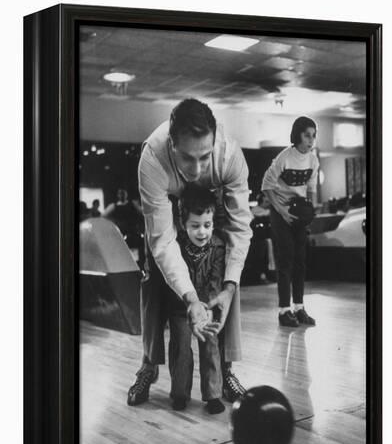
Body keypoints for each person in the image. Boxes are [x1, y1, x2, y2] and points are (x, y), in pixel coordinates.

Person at [127, 98, 252, 406]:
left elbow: (239, 228)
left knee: (227, 278)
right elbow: (163, 242)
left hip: (209, 211)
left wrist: (228, 287)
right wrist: (191, 299)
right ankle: (148, 365)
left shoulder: (231, 156)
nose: (196, 170)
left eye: (204, 157)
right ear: (172, 145)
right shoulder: (152, 159)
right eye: (187, 159)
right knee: (153, 276)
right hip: (171, 217)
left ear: (215, 143)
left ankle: (226, 371)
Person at [166, 185, 226, 414]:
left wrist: (209, 306)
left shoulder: (218, 246)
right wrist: (189, 304)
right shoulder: (176, 246)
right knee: (181, 347)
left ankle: (213, 395)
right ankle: (180, 394)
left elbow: (216, 279)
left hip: (207, 307)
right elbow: (173, 278)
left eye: (207, 225)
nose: (202, 232)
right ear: (183, 225)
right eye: (195, 226)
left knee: (210, 344)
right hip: (181, 307)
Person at [262, 116, 319, 327]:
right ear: (297, 136)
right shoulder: (284, 158)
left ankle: (299, 308)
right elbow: (266, 186)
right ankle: (284, 311)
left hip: (298, 211)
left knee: (300, 261)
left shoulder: (313, 160)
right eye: (307, 135)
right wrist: (281, 211)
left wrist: (310, 213)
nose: (311, 140)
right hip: (280, 211)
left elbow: (311, 189)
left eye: (313, 136)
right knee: (285, 260)